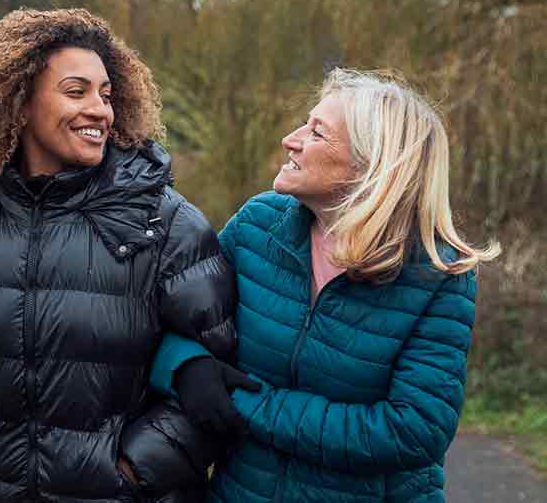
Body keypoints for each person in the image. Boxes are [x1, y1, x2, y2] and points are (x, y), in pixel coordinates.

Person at [0, 8, 254, 503]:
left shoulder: (165, 223)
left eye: (106, 95)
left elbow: (219, 377)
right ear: (19, 102)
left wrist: (128, 473)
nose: (100, 110)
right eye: (76, 91)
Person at [151, 68, 500, 503]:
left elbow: (414, 430)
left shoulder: (439, 274)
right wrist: (185, 367)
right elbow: (172, 324)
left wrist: (245, 405)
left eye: (317, 133)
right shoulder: (258, 224)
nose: (290, 140)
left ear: (373, 164)